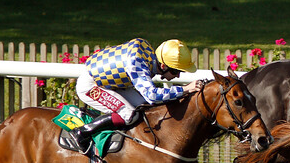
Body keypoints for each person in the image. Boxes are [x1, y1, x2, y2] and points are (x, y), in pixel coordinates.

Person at [70, 38, 200, 155]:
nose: (177, 76)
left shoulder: (148, 54)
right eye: (175, 71)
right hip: (91, 85)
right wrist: (185, 89)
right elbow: (153, 95)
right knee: (129, 115)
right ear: (163, 66)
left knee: (145, 107)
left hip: (110, 82)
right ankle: (82, 132)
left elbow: (149, 100)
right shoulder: (138, 63)